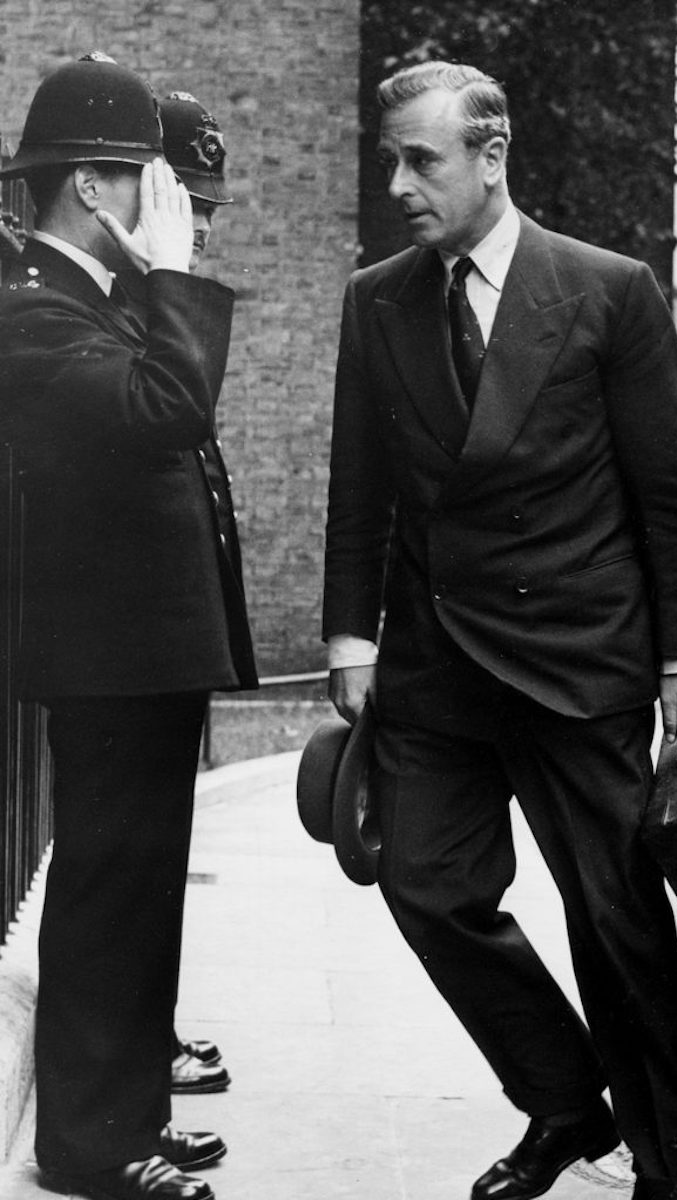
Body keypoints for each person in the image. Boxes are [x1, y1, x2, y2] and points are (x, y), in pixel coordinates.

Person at [323, 61, 677, 1200]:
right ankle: (561, 1104)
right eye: (389, 158)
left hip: (576, 657)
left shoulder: (605, 289)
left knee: (614, 923)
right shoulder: (376, 296)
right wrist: (352, 638)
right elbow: (361, 489)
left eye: (421, 159)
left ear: (490, 158)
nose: (398, 182)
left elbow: (663, 493)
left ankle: (663, 1153)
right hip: (436, 661)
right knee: (425, 888)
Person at [0, 54, 257, 1200]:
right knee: (110, 893)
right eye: (147, 182)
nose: (167, 211)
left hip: (138, 655)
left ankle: (127, 1115)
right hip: (105, 658)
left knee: (137, 889)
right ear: (96, 189)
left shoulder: (86, 303)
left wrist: (153, 282)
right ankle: (93, 1144)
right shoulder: (32, 312)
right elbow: (167, 411)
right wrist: (171, 271)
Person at [117, 89, 239, 1100]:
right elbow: (168, 418)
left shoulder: (145, 297)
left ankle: (145, 1028)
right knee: (121, 863)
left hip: (156, 636)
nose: (197, 226)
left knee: (149, 859)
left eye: (206, 207)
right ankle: (132, 1038)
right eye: (182, 199)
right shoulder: (123, 301)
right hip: (116, 638)